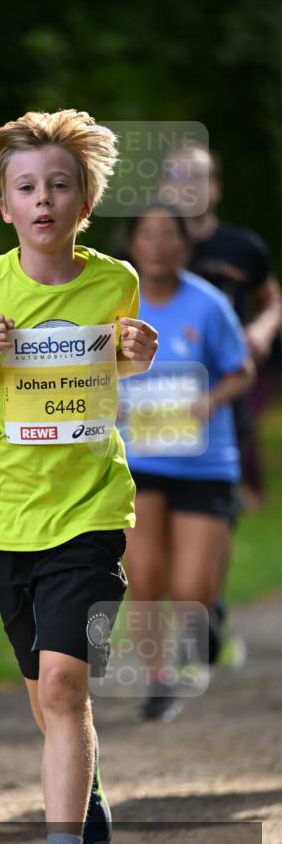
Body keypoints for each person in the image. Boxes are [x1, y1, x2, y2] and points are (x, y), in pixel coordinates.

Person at [0, 109, 158, 844]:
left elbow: (120, 363)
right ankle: (84, 783)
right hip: (3, 524)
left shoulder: (114, 281)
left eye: (60, 185)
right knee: (46, 693)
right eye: (27, 187)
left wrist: (137, 353)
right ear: (5, 205)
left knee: (65, 685)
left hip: (90, 510)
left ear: (83, 201)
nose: (44, 199)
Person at [119, 203, 254, 722]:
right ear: (132, 244)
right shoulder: (115, 307)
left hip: (204, 462)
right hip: (141, 458)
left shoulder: (210, 304)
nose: (157, 244)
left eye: (168, 234)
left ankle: (209, 617)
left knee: (193, 587)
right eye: (146, 234)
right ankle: (158, 680)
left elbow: (241, 370)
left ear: (185, 244)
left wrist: (211, 401)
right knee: (145, 574)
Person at [160, 142, 281, 664]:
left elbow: (271, 299)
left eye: (198, 177)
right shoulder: (150, 245)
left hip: (225, 393)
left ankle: (210, 602)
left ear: (216, 188)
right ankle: (187, 602)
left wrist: (261, 327)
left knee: (216, 502)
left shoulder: (243, 248)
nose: (188, 187)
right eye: (178, 177)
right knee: (153, 501)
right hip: (159, 396)